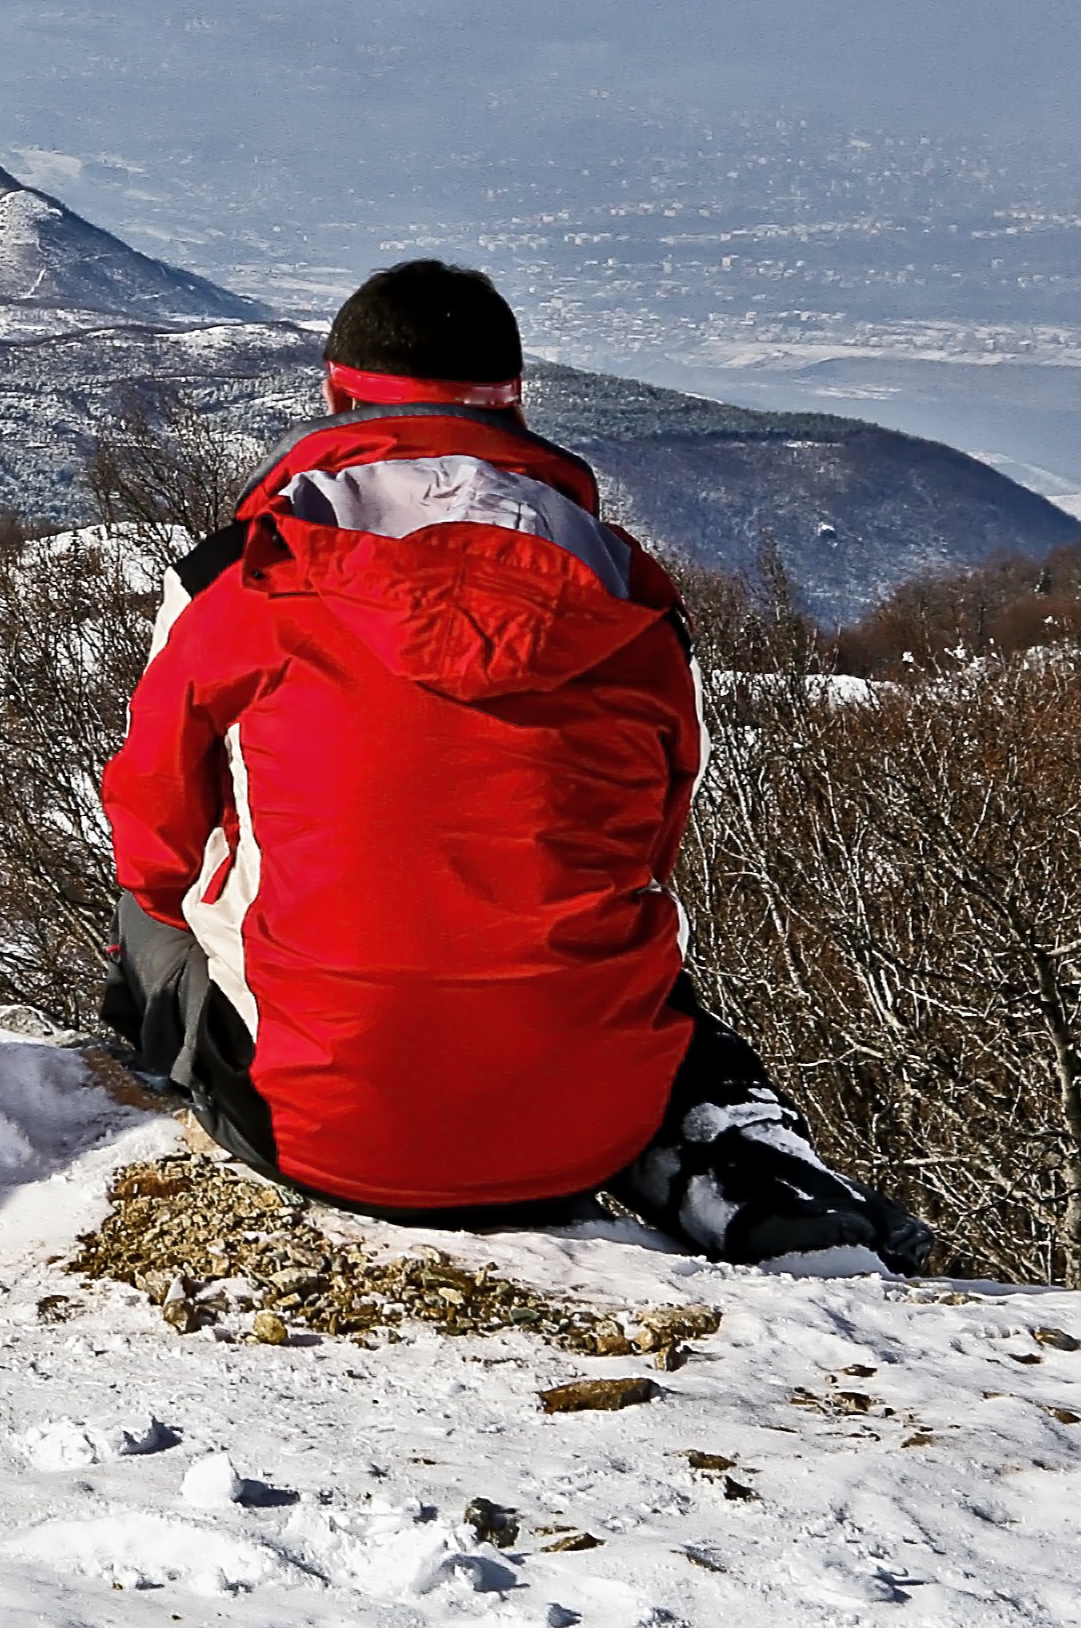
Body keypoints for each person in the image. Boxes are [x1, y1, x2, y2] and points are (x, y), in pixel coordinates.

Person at [99, 260, 931, 1270]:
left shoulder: (242, 577)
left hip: (312, 1131)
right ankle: (730, 1163)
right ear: (514, 401)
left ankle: (196, 1056)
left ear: (333, 393)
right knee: (622, 963)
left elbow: (151, 830)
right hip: (576, 1135)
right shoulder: (627, 595)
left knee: (155, 899)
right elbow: (649, 849)